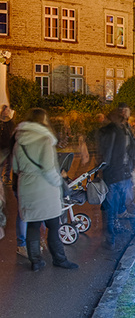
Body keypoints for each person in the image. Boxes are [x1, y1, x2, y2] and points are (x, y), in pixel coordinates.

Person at [13, 108, 78, 270]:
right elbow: (50, 170)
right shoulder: (44, 140)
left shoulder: (19, 140)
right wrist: (59, 182)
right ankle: (59, 259)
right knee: (54, 226)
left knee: (33, 226)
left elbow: (15, 167)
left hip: (27, 188)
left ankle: (35, 261)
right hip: (45, 190)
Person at [98, 103, 135, 248]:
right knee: (127, 202)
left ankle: (111, 241)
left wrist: (101, 169)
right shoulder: (126, 130)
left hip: (113, 173)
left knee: (111, 207)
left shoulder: (113, 131)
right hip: (124, 172)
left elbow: (107, 154)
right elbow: (132, 152)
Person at [0, 105, 14, 241]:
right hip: (2, 147)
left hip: (7, 147)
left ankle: (5, 177)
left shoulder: (9, 122)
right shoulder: (2, 122)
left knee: (8, 163)